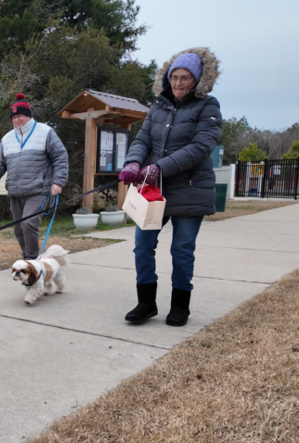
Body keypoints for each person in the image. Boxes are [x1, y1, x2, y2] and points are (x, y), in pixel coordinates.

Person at [118, 48, 222, 327]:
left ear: (197, 80)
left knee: (182, 249)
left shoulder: (208, 106)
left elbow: (201, 147)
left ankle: (180, 306)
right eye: (174, 77)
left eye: (185, 78)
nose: (177, 83)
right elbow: (142, 141)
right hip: (153, 191)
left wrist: (159, 167)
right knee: (142, 246)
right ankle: (146, 303)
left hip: (190, 188)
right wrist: (132, 162)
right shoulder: (158, 107)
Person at [0, 93, 69, 260]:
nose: (16, 120)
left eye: (20, 116)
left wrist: (58, 182)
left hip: (38, 190)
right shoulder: (7, 138)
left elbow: (60, 156)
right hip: (15, 192)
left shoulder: (45, 132)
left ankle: (31, 260)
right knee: (18, 229)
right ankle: (28, 258)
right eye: (13, 117)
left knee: (28, 224)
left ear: (28, 115)